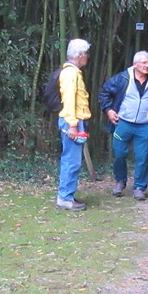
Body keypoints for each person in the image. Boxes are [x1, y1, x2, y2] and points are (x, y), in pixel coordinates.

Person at [99, 51, 148, 201]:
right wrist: (109, 110)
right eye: (143, 62)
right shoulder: (122, 78)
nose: (147, 65)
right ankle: (120, 181)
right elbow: (104, 93)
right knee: (119, 154)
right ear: (135, 64)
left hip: (144, 125)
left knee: (142, 157)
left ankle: (139, 187)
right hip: (122, 123)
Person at [55, 39, 92, 211]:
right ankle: (64, 198)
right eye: (86, 53)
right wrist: (73, 125)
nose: (88, 57)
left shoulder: (73, 72)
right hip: (73, 121)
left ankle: (67, 195)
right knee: (71, 160)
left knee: (72, 160)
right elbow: (69, 100)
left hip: (75, 120)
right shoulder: (70, 73)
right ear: (80, 55)